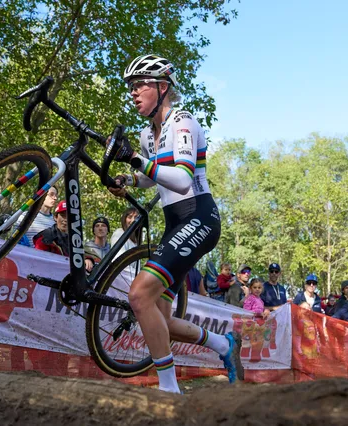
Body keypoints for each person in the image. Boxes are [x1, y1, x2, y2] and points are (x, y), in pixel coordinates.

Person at [108, 54, 242, 392]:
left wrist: (136, 160)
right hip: (175, 224)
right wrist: (129, 180)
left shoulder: (183, 122)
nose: (133, 92)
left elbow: (181, 180)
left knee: (139, 296)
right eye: (131, 86)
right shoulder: (147, 135)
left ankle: (169, 389)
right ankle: (224, 345)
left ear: (162, 87)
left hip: (199, 217)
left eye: (139, 85)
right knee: (160, 316)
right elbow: (155, 179)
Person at [34, 201, 98, 271]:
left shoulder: (76, 239)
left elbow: (80, 255)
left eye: (69, 216)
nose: (65, 219)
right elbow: (38, 262)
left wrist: (87, 259)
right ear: (55, 217)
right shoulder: (45, 238)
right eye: (63, 215)